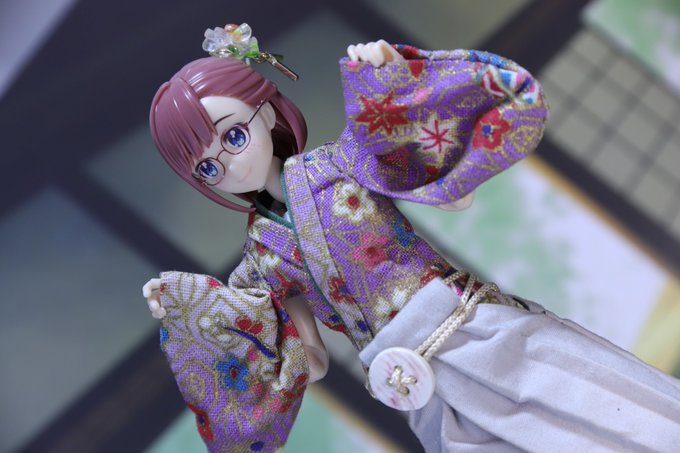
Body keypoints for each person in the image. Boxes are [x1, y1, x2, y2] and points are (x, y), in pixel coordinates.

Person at [143, 23, 680, 453]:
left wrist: (392, 83)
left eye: (233, 136)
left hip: (471, 328)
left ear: (267, 112)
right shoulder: (258, 264)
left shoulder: (342, 162)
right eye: (208, 168)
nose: (230, 166)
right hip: (411, 384)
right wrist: (196, 317)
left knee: (595, 415)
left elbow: (449, 193)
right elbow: (312, 360)